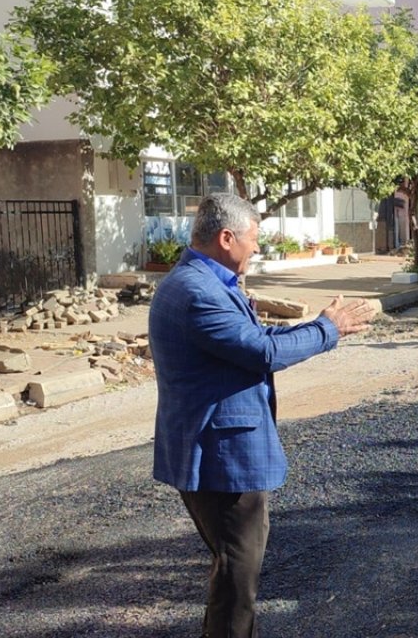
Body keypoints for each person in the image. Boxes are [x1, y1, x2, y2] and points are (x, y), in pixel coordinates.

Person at [149, 193, 376, 637]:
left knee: (232, 574)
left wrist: (311, 328)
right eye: (253, 240)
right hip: (221, 460)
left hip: (216, 453)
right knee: (237, 580)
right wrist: (329, 328)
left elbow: (252, 336)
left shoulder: (204, 281)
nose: (257, 249)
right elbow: (263, 352)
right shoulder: (197, 291)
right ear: (226, 237)